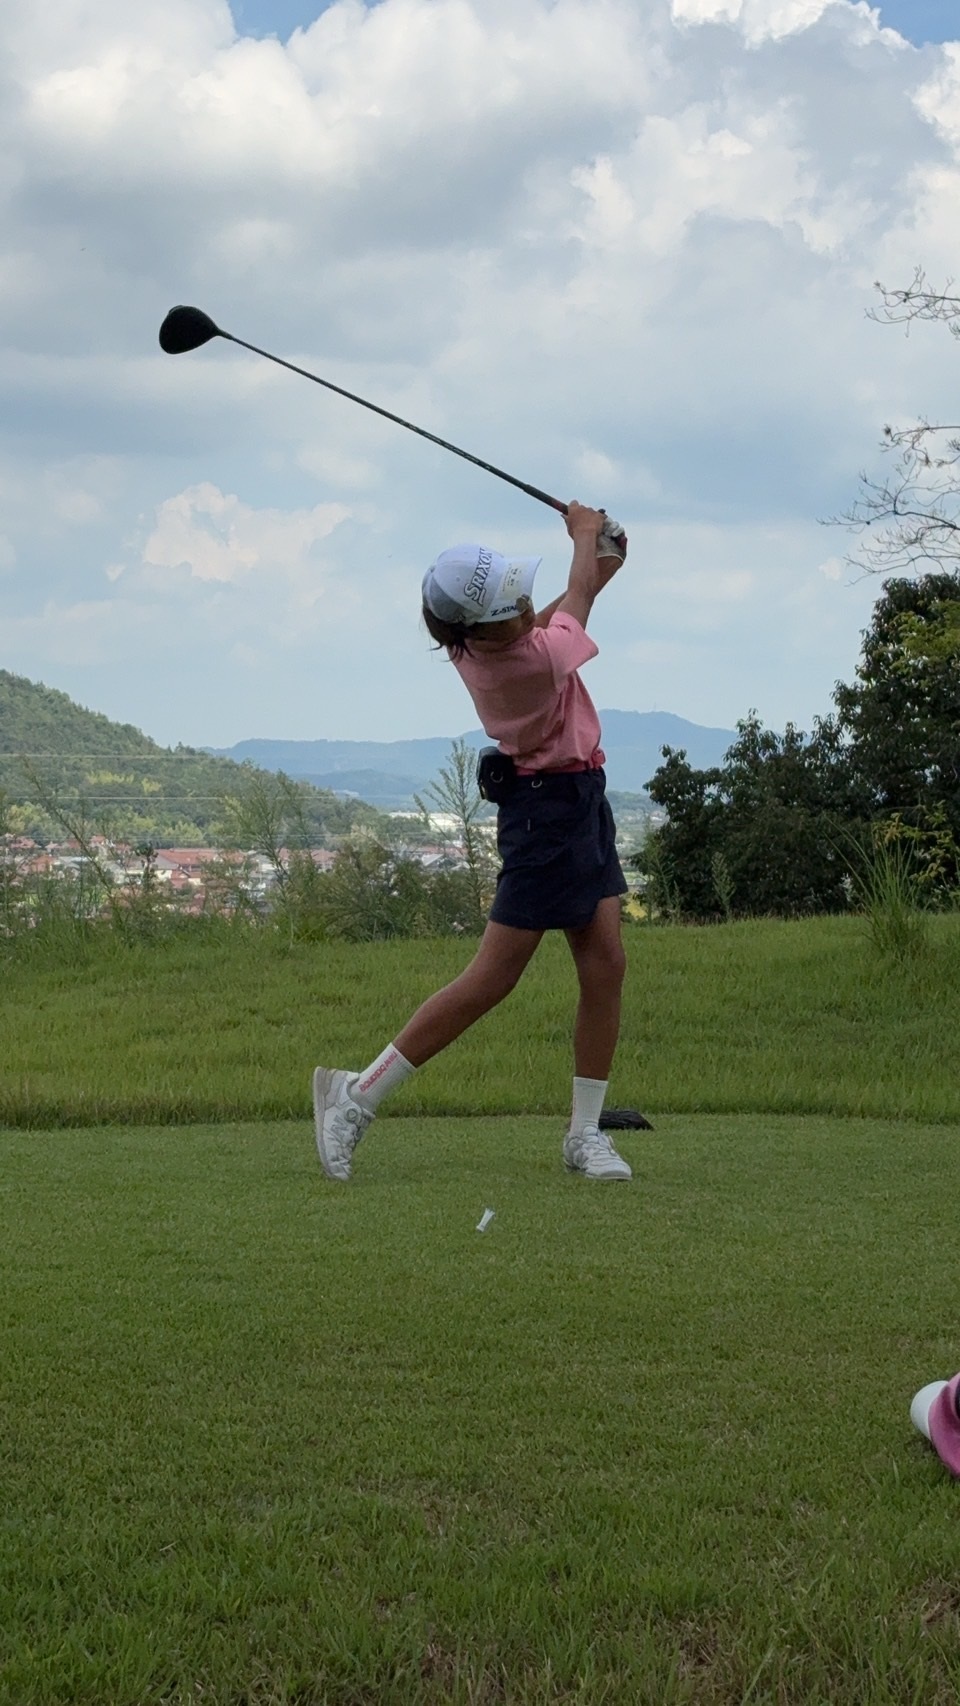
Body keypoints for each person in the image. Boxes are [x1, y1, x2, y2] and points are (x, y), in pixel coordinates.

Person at [313, 500, 632, 1182]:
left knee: (605, 963)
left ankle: (584, 1134)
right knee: (492, 978)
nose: (525, 603)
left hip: (579, 800)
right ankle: (356, 1095)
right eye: (510, 602)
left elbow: (565, 608)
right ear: (485, 629)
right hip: (544, 816)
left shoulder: (485, 646)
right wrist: (584, 536)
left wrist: (600, 561)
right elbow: (571, 606)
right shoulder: (527, 663)